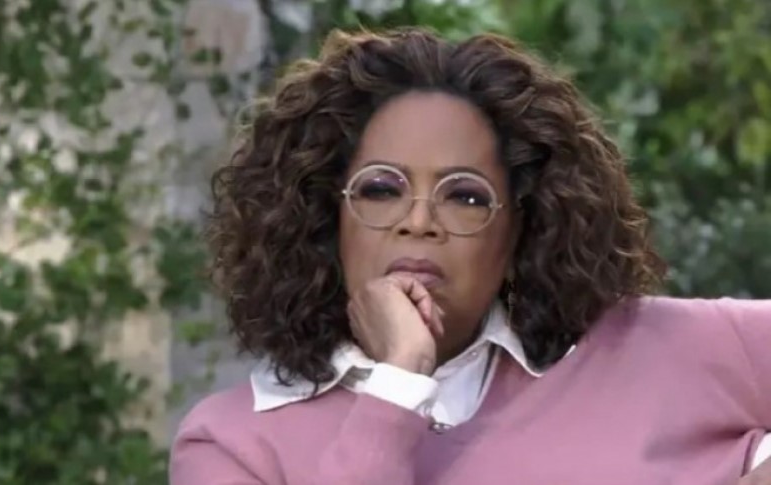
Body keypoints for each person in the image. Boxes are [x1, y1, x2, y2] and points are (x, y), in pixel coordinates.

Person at [170, 28, 771, 484]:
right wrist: (399, 382)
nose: (419, 221)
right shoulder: (232, 446)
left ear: (520, 232)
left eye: (465, 196)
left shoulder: (668, 349)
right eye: (380, 189)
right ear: (327, 221)